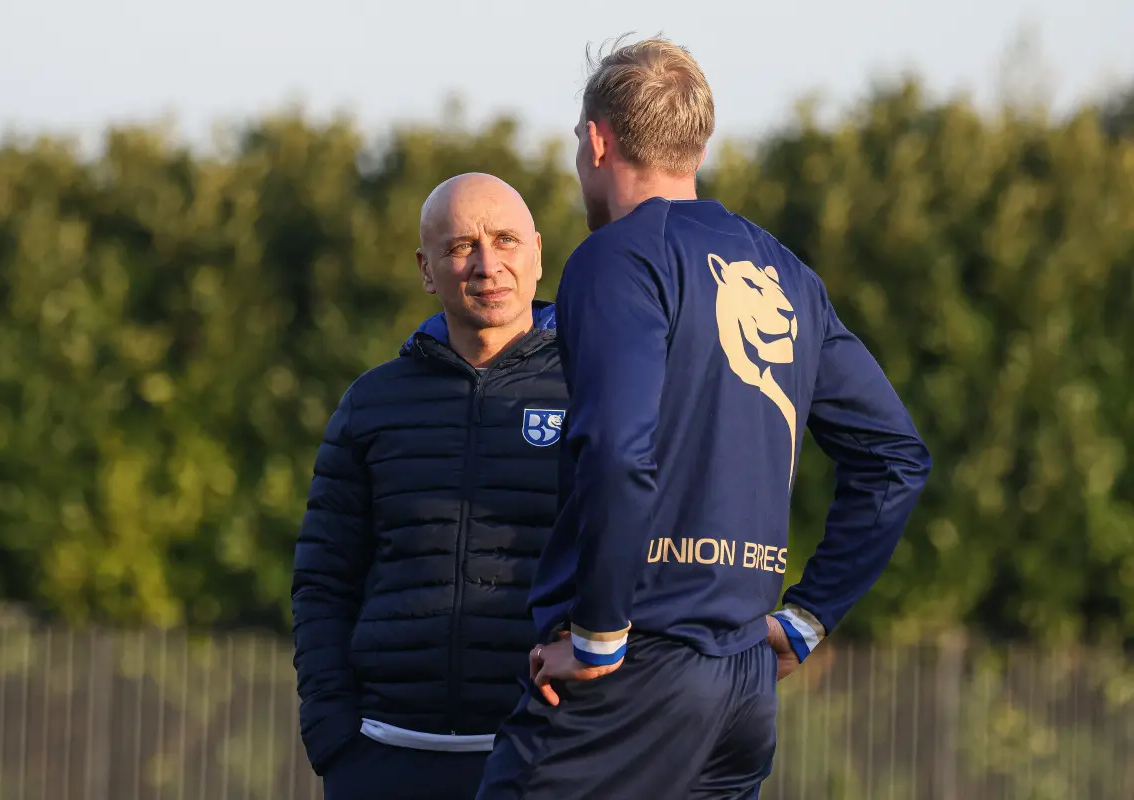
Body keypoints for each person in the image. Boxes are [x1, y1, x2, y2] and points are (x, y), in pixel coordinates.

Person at [476, 38, 932, 800]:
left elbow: (618, 451)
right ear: (698, 143)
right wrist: (807, 619)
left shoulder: (618, 258)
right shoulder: (786, 272)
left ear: (597, 140)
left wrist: (596, 638)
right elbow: (896, 456)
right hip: (742, 691)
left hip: (632, 679)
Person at [292, 173, 569, 800]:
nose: (487, 264)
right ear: (425, 268)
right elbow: (323, 579)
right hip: (384, 758)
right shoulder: (372, 403)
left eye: (505, 240)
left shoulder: (597, 392)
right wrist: (334, 734)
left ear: (537, 253)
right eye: (460, 247)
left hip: (545, 757)